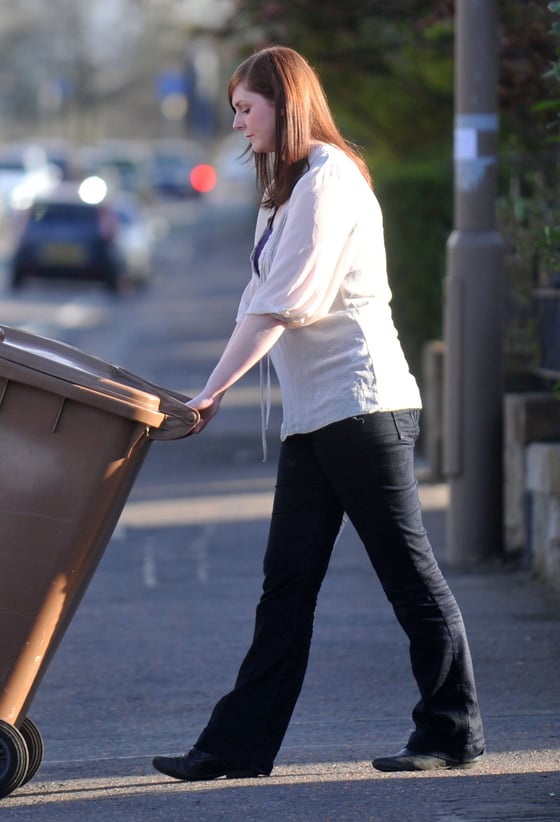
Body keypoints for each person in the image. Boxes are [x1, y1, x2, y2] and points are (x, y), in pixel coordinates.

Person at [151, 45, 485, 781]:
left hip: (362, 406)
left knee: (409, 576)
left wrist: (212, 392)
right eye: (236, 110)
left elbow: (284, 302)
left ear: (285, 103)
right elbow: (258, 302)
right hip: (315, 416)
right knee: (287, 584)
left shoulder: (329, 181)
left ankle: (453, 731)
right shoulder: (288, 188)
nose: (239, 125)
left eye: (247, 109)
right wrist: (214, 383)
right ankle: (236, 746)